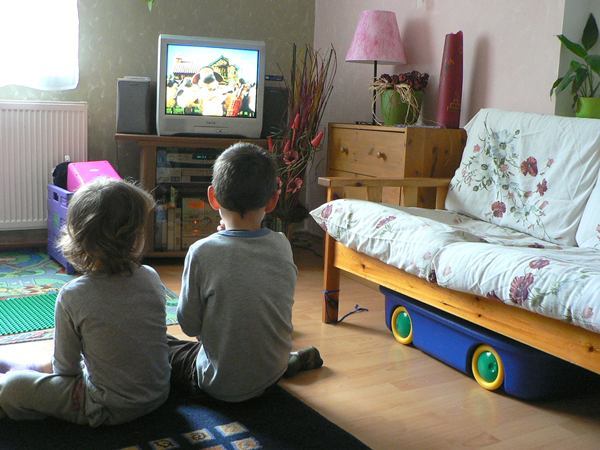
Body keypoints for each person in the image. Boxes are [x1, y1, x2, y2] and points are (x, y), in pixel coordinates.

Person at [0, 178, 171, 426]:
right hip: (158, 395)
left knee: (13, 387)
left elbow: (66, 371)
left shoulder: (73, 295)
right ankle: (26, 366)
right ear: (135, 239)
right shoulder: (151, 277)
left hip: (106, 407)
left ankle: (17, 376)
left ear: (77, 238)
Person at [168, 142, 322, 402]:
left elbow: (188, 325)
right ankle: (287, 362)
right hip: (272, 372)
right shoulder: (282, 245)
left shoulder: (201, 252)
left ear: (213, 197)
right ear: (272, 200)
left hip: (218, 385)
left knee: (164, 346)